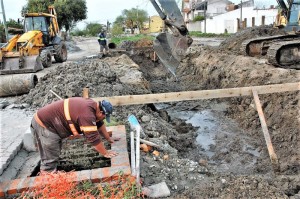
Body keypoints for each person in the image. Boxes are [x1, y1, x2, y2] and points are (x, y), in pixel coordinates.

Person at [30, 97, 118, 172]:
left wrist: (108, 138)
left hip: (49, 123)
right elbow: (93, 138)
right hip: (45, 125)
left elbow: (99, 124)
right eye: (104, 117)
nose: (104, 119)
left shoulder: (93, 106)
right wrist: (105, 153)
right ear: (101, 113)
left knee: (54, 152)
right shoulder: (87, 115)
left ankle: (51, 174)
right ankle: (47, 180)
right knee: (50, 158)